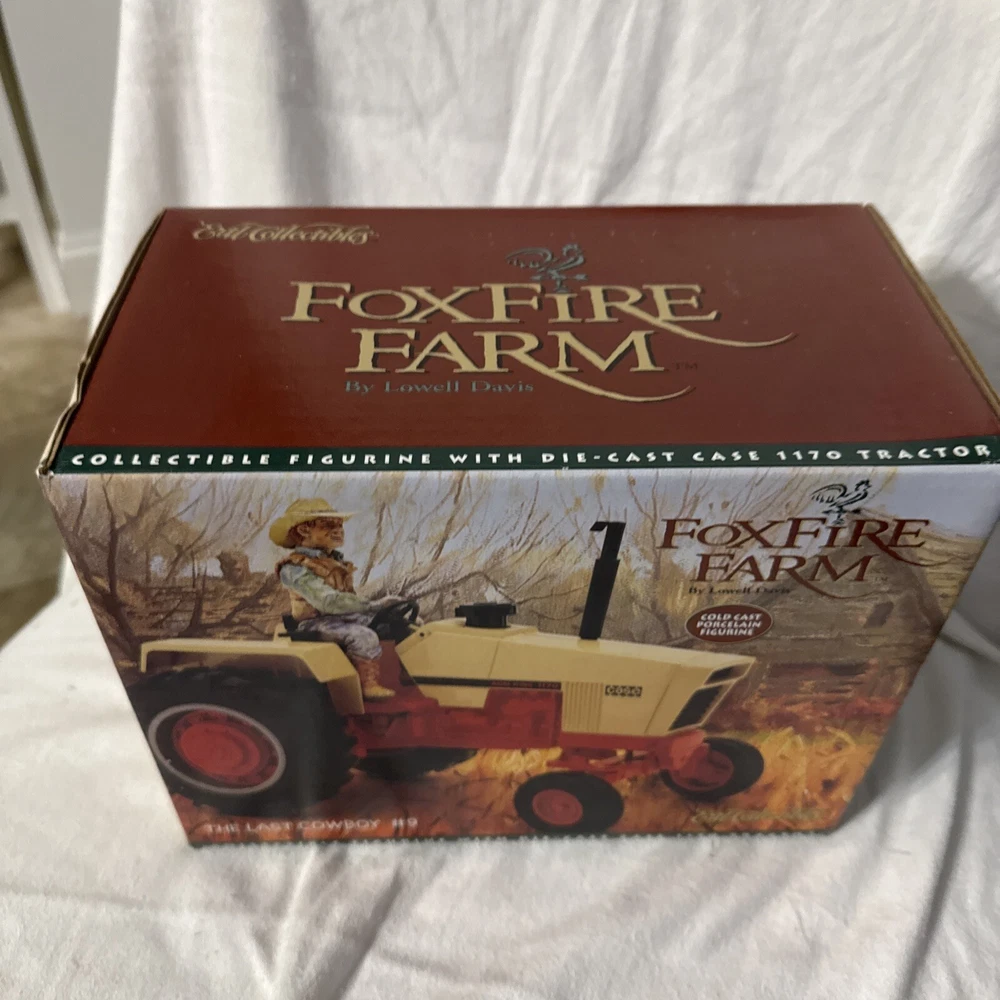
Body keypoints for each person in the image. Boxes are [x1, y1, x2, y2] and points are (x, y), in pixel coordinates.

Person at [269, 499, 395, 700]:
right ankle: (368, 685)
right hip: (315, 623)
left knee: (400, 623)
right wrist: (373, 606)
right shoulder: (294, 568)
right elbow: (328, 602)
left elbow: (347, 599)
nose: (338, 531)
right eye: (328, 525)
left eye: (339, 525)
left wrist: (382, 610)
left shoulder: (334, 561)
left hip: (343, 618)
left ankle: (404, 679)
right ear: (303, 530)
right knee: (364, 636)